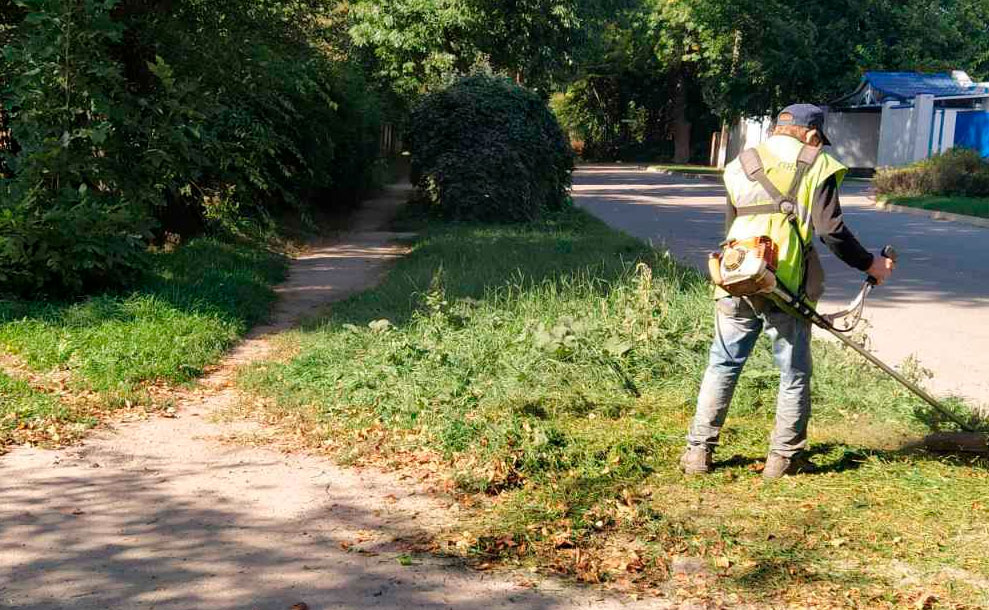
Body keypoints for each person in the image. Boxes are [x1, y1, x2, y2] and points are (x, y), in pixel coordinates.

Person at [680, 103, 895, 479]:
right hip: (787, 282)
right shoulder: (817, 163)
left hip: (736, 274)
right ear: (812, 135)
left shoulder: (739, 164)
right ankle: (783, 458)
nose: (819, 146)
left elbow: (733, 225)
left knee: (723, 363)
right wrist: (870, 264)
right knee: (793, 371)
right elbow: (832, 232)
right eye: (818, 140)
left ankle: (698, 453)